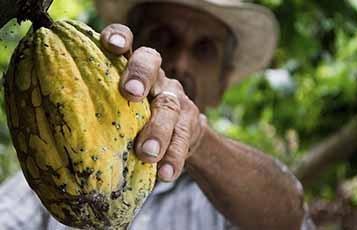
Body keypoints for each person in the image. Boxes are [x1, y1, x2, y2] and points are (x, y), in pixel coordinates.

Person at [0, 0, 316, 229]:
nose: (180, 62)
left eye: (204, 49)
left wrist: (197, 141)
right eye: (164, 38)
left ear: (223, 83)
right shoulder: (48, 171)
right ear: (124, 48)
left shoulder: (230, 198)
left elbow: (289, 216)